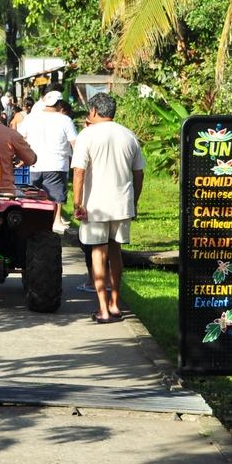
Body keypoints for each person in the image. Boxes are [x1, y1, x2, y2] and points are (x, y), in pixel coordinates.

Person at [71, 92, 145, 324]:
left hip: (96, 206)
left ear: (93, 111)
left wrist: (77, 202)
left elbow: (79, 171)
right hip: (121, 204)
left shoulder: (87, 135)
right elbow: (139, 173)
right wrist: (134, 201)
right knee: (115, 252)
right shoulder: (129, 135)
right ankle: (115, 304)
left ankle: (102, 308)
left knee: (98, 253)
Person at [19, 89, 77, 232]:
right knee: (55, 197)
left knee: (32, 197)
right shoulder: (65, 120)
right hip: (57, 164)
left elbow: (19, 138)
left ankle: (32, 223)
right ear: (59, 104)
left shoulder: (31, 118)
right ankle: (56, 221)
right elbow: (75, 143)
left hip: (34, 164)